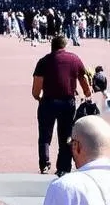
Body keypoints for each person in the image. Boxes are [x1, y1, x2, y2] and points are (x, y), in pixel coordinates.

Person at [33, 34, 92, 176]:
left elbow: (36, 88)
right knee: (65, 135)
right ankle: (63, 166)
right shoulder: (74, 59)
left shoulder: (44, 61)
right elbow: (84, 80)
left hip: (48, 101)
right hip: (67, 102)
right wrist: (87, 92)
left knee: (45, 135)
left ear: (52, 47)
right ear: (64, 46)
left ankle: (44, 163)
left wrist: (39, 98)